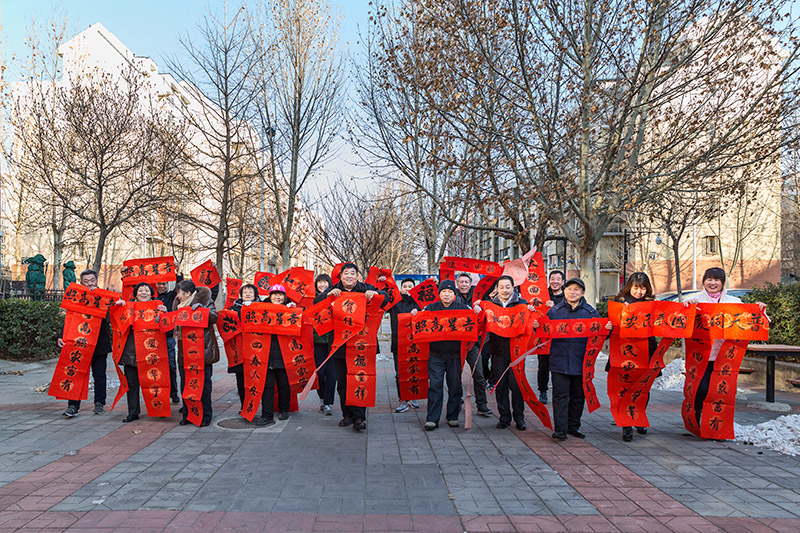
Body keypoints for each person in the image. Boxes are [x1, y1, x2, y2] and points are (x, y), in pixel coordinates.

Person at [685, 267, 765, 430]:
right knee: (701, 389)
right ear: (704, 281)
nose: (712, 283)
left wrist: (758, 309)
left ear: (722, 283)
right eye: (709, 279)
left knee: (720, 392)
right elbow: (680, 320)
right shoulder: (694, 300)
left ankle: (716, 426)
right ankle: (698, 411)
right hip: (702, 355)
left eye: (716, 280)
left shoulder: (734, 302)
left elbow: (749, 319)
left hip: (725, 356)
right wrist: (687, 306)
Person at [314, 262, 387, 432]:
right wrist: (327, 296)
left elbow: (386, 298)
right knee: (343, 382)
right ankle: (347, 414)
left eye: (352, 273)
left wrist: (375, 294)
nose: (349, 276)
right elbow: (316, 304)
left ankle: (359, 417)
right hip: (340, 344)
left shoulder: (364, 288)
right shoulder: (334, 290)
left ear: (357, 276)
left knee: (360, 379)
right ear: (341, 276)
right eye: (346, 273)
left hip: (362, 345)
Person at [539, 277, 611, 440]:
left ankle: (573, 426)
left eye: (576, 289)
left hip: (581, 362)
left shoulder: (590, 313)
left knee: (578, 396)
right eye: (569, 289)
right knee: (560, 396)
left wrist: (607, 329)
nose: (572, 292)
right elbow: (543, 334)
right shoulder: (554, 312)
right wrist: (537, 327)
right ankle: (560, 429)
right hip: (559, 361)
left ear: (582, 293)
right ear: (564, 291)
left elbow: (600, 336)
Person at [410, 279, 471, 430]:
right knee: (435, 386)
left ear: (454, 294)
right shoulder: (430, 308)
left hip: (455, 355)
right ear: (439, 294)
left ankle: (452, 416)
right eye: (444, 291)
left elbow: (477, 320)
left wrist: (477, 311)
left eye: (450, 292)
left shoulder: (463, 309)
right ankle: (432, 418)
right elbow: (418, 319)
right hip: (435, 354)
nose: (447, 294)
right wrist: (415, 314)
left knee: (455, 386)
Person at [480, 275, 537, 430]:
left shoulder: (522, 304)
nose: (504, 290)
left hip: (517, 353)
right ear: (497, 289)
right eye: (501, 287)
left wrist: (531, 314)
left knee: (517, 386)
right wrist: (479, 308)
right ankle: (504, 417)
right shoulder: (491, 305)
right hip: (497, 351)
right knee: (501, 385)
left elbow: (531, 324)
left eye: (508, 287)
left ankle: (519, 418)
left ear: (513, 288)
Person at [58, 269, 115, 418]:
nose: (90, 284)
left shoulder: (105, 297)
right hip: (79, 343)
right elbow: (69, 317)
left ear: (96, 280)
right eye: (86, 281)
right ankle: (73, 406)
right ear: (81, 283)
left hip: (99, 343)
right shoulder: (77, 297)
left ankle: (99, 403)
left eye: (92, 280)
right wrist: (62, 335)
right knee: (76, 374)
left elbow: (111, 318)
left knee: (99, 375)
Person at [611, 272, 657, 442]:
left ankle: (638, 417)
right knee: (624, 388)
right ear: (629, 287)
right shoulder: (619, 303)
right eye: (636, 288)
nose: (639, 292)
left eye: (643, 288)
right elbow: (611, 326)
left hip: (646, 351)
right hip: (624, 352)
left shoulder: (652, 304)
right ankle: (626, 425)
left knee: (642, 388)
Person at [118, 282, 169, 423]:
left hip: (153, 352)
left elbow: (168, 326)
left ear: (152, 293)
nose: (144, 293)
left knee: (155, 381)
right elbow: (115, 323)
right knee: (132, 384)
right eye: (140, 291)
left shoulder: (159, 306)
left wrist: (166, 313)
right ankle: (133, 412)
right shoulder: (127, 307)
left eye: (147, 290)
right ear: (135, 294)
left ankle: (159, 408)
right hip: (132, 352)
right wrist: (118, 307)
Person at [174, 280, 219, 427]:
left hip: (202, 350)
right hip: (184, 352)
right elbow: (171, 320)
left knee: (204, 385)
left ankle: (205, 415)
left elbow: (214, 317)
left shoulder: (206, 300)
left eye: (180, 293)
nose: (178, 296)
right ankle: (188, 414)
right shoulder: (178, 304)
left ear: (188, 293)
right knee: (186, 384)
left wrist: (202, 310)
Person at [256, 284, 296, 426]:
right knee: (267, 387)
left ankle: (284, 410)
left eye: (280, 294)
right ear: (270, 296)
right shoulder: (261, 310)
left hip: (285, 355)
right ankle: (266, 415)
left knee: (284, 385)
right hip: (266, 355)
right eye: (274, 294)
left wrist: (294, 311)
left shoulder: (291, 310)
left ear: (284, 297)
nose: (277, 297)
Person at [455, 273, 492, 417]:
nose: (463, 284)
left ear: (470, 284)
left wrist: (481, 309)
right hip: (457, 343)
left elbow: (490, 311)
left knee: (479, 373)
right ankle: (456, 402)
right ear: (457, 283)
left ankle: (482, 404)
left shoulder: (479, 296)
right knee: (455, 375)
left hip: (473, 343)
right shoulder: (452, 295)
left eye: (466, 282)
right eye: (461, 282)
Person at [389, 278, 421, 413]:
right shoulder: (395, 302)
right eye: (405, 286)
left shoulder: (420, 303)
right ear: (401, 289)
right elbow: (384, 298)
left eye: (410, 286)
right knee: (400, 374)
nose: (408, 288)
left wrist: (419, 313)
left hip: (416, 344)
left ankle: (413, 396)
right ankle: (403, 399)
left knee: (415, 371)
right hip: (399, 344)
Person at [155, 270, 185, 404]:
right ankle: (160, 394)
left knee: (171, 365)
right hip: (153, 337)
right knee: (156, 367)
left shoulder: (172, 296)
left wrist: (178, 274)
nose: (162, 286)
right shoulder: (151, 298)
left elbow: (180, 286)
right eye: (159, 284)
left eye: (164, 284)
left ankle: (173, 392)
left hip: (168, 336)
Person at [230, 283, 261, 410]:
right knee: (241, 378)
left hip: (257, 349)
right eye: (245, 292)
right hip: (240, 349)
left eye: (250, 292)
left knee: (256, 377)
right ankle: (244, 406)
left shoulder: (262, 307)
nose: (248, 294)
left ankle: (258, 406)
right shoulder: (233, 309)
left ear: (255, 295)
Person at [537, 270, 565, 404]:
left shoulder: (567, 297)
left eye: (558, 279)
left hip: (561, 338)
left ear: (562, 282)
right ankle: (542, 391)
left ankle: (559, 392)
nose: (555, 281)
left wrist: (555, 307)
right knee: (543, 365)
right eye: (552, 279)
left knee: (559, 366)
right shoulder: (542, 294)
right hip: (544, 337)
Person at [313, 274, 337, 416]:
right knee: (320, 373)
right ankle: (322, 397)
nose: (322, 285)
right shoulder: (311, 298)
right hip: (317, 341)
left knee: (332, 374)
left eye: (325, 282)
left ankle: (328, 402)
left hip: (333, 341)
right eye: (319, 282)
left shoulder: (336, 296)